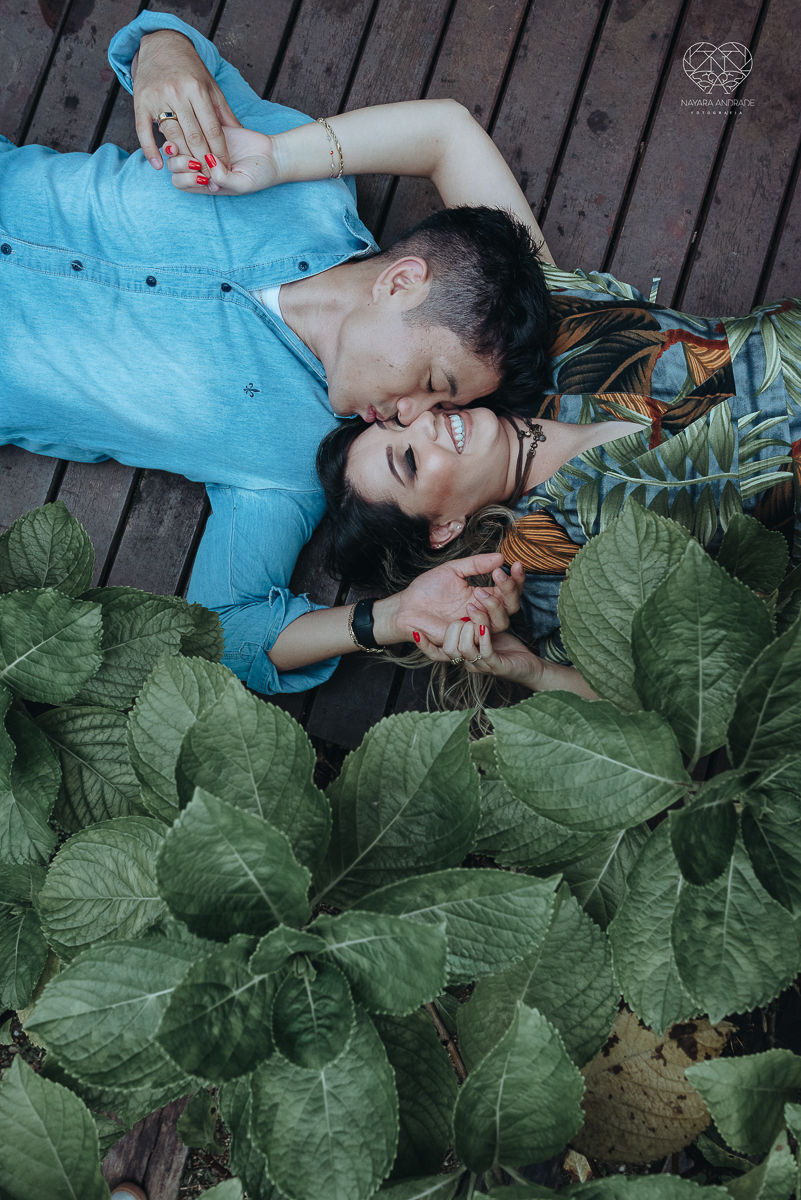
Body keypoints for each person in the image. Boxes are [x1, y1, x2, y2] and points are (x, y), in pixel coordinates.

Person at [0, 12, 554, 692]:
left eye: (443, 403)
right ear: (402, 283)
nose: (412, 414)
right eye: (434, 381)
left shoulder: (291, 467)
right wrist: (163, 58)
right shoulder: (301, 181)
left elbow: (219, 635)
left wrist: (383, 618)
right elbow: (163, 42)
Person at [316, 267, 801, 702]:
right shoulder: (548, 565)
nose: (425, 424)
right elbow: (650, 695)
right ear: (443, 528)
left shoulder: (520, 345)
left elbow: (451, 163)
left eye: (400, 421)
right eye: (411, 463)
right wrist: (535, 672)